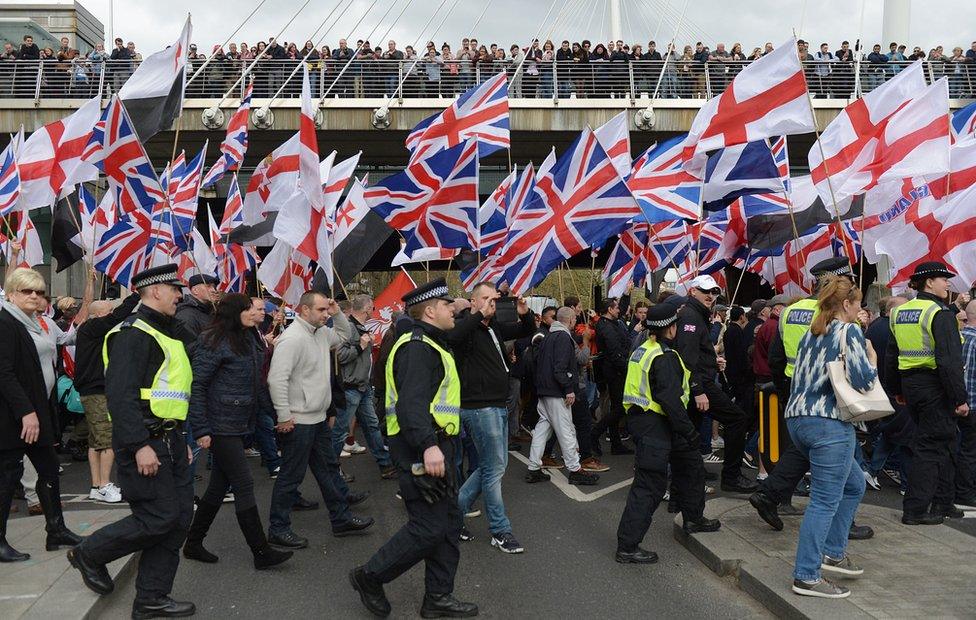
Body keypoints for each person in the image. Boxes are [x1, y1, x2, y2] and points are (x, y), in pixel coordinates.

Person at [67, 264, 196, 618]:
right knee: (159, 518)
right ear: (154, 291)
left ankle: (152, 598)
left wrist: (177, 435)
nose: (179, 295)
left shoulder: (165, 332)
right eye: (174, 289)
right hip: (144, 441)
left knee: (178, 518)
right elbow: (121, 396)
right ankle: (89, 552)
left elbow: (173, 390)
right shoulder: (130, 334)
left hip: (169, 438)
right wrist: (140, 444)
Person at [351, 279, 478, 619]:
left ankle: (438, 597)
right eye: (448, 305)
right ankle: (369, 576)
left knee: (448, 525)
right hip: (422, 450)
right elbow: (411, 405)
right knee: (429, 528)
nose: (454, 309)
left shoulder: (431, 342)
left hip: (437, 447)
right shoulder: (418, 347)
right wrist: (429, 447)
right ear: (431, 310)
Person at [751, 258, 874, 540]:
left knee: (802, 451)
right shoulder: (837, 316)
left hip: (797, 395)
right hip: (832, 397)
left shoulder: (790, 311)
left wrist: (785, 394)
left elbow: (776, 357)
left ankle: (770, 493)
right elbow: (856, 367)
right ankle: (844, 524)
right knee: (842, 458)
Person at [182, 294, 293, 570]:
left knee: (218, 487)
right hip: (220, 425)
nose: (257, 313)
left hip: (240, 422)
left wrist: (277, 414)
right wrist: (201, 428)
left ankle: (193, 543)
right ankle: (261, 551)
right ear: (235, 312)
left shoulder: (251, 337)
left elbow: (257, 385)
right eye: (249, 309)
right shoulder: (213, 340)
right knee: (243, 484)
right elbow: (197, 386)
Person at [787, 275, 875, 599]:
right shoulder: (849, 330)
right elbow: (863, 380)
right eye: (858, 304)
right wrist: (872, 358)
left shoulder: (813, 332)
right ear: (847, 305)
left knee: (854, 485)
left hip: (798, 420)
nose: (860, 310)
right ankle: (807, 575)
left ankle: (833, 552)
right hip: (829, 423)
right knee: (824, 502)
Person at [266, 291, 373, 548]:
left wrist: (337, 312)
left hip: (318, 418)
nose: (326, 314)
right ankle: (278, 528)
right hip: (298, 421)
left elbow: (347, 335)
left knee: (328, 470)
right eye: (322, 310)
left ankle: (341, 518)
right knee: (291, 476)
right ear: (304, 310)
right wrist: (283, 416)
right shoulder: (292, 339)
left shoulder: (321, 333)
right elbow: (276, 379)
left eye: (327, 310)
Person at [616, 305, 720, 564]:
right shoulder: (664, 357)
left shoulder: (644, 349)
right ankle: (628, 547)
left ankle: (693, 518)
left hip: (651, 422)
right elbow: (670, 400)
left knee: (691, 466)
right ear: (671, 328)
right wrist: (690, 432)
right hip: (657, 424)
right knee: (649, 486)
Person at [0, 268, 83, 562]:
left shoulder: (33, 323)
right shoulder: (6, 322)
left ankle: (56, 530)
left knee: (48, 470)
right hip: (14, 418)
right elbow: (5, 373)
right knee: (8, 478)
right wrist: (26, 413)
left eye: (39, 292)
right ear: (10, 294)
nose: (35, 296)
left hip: (38, 411)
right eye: (27, 291)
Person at [447, 282, 535, 554]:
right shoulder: (465, 327)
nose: (490, 304)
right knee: (494, 468)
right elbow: (453, 338)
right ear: (472, 302)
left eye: (493, 299)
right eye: (484, 299)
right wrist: (477, 314)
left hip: (497, 405)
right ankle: (500, 530)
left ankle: (451, 519)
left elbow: (526, 331)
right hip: (479, 407)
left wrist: (524, 313)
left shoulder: (491, 327)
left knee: (489, 466)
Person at [886, 262, 969, 524]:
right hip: (936, 386)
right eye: (943, 279)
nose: (947, 283)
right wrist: (960, 398)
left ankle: (944, 502)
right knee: (931, 448)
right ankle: (915, 509)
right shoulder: (939, 313)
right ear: (929, 282)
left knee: (944, 442)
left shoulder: (900, 311)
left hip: (912, 385)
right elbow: (948, 361)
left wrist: (896, 389)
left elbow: (892, 354)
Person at [674, 275, 754, 492]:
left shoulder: (697, 314)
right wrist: (698, 389)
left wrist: (712, 360)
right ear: (693, 291)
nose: (710, 295)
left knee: (691, 435)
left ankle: (688, 480)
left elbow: (696, 352)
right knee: (737, 419)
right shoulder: (691, 317)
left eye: (714, 291)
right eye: (705, 290)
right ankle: (731, 476)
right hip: (699, 384)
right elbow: (686, 357)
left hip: (700, 380)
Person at [74, 293, 141, 504]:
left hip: (94, 389)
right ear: (97, 315)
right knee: (107, 439)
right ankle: (104, 485)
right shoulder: (91, 327)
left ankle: (96, 486)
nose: (112, 314)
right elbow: (116, 317)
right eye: (107, 311)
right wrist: (135, 296)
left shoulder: (92, 331)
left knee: (95, 441)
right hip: (95, 390)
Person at [525, 307, 600, 486]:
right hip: (556, 391)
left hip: (544, 390)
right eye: (574, 318)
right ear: (571, 319)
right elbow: (560, 368)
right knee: (566, 430)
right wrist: (569, 389)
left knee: (542, 430)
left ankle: (533, 467)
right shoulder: (563, 338)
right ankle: (575, 470)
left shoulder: (549, 336)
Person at [334, 294, 396, 478]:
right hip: (351, 386)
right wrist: (361, 346)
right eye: (373, 309)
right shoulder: (349, 327)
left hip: (363, 387)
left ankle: (385, 465)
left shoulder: (359, 327)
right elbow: (340, 356)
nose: (373, 312)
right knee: (339, 431)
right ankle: (332, 469)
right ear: (367, 309)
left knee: (372, 426)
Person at [590, 293, 635, 456]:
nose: (619, 311)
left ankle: (616, 444)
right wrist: (627, 370)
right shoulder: (606, 326)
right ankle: (594, 434)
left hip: (615, 369)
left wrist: (626, 295)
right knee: (621, 408)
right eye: (616, 308)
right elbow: (615, 353)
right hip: (615, 371)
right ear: (609, 310)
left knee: (617, 406)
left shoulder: (610, 322)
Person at [175, 274, 219, 339]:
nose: (214, 290)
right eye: (208, 286)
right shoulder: (186, 316)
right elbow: (190, 346)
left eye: (214, 287)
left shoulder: (212, 312)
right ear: (195, 290)